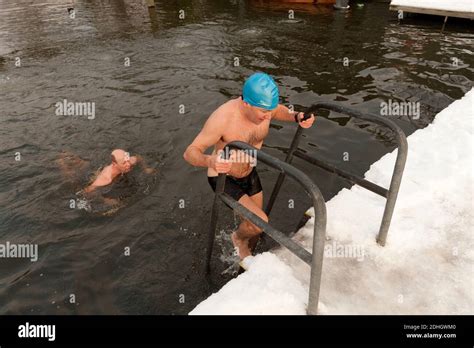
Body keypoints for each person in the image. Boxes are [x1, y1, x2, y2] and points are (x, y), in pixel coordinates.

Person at [183, 72, 315, 260]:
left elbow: (277, 110)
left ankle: (245, 262)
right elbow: (190, 152)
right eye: (263, 112)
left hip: (249, 171)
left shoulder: (265, 110)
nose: (268, 116)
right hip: (223, 177)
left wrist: (296, 117)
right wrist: (210, 161)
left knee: (256, 229)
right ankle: (236, 238)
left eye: (269, 111)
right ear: (246, 103)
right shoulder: (223, 118)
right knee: (259, 222)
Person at [82, 149, 154, 193]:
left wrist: (146, 169)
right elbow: (88, 191)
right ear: (114, 164)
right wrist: (106, 201)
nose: (128, 164)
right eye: (124, 163)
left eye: (127, 160)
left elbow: (138, 157)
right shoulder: (107, 178)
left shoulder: (129, 161)